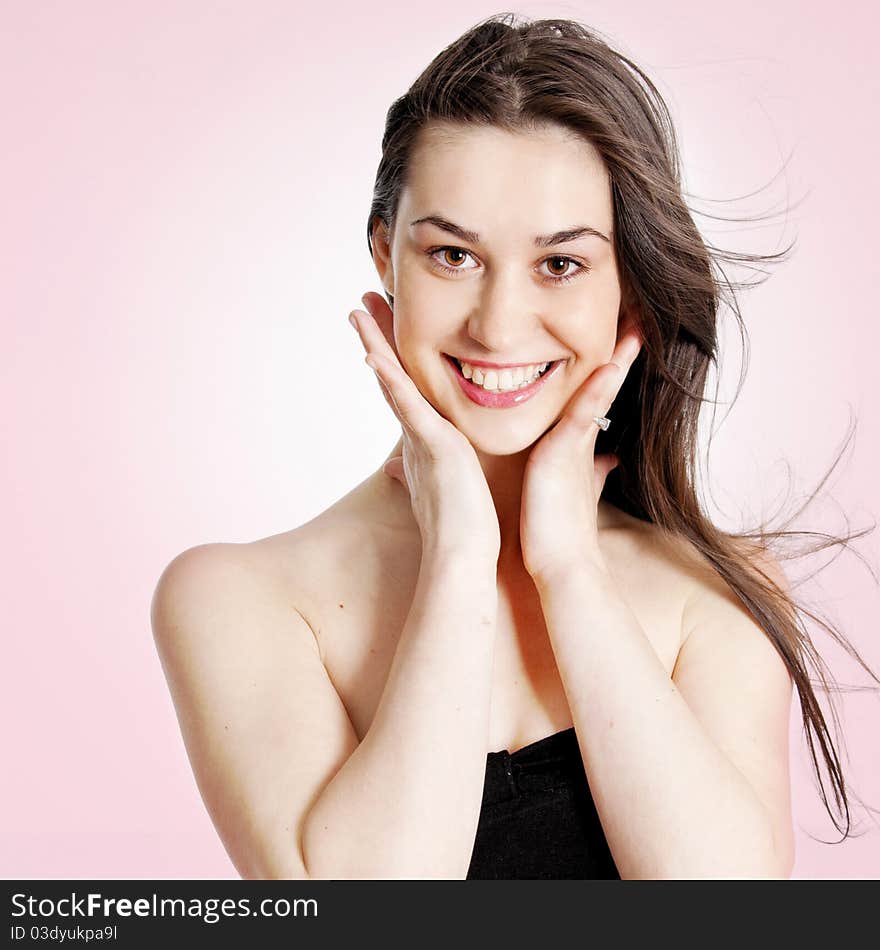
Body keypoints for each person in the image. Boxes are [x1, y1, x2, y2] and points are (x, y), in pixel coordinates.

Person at [150, 13, 878, 880]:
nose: (497, 326)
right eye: (452, 255)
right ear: (386, 256)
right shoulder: (238, 599)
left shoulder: (719, 591)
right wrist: (459, 554)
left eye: (561, 264)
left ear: (630, 290)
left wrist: (568, 568)